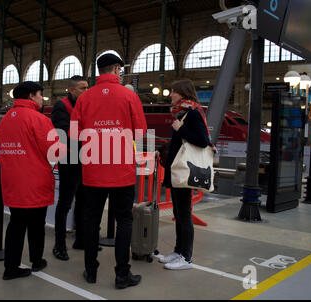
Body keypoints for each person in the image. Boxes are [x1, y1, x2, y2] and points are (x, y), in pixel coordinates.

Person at [71, 53, 147, 289]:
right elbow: (141, 132)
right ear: (116, 69)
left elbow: (74, 134)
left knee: (91, 219)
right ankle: (122, 276)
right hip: (121, 170)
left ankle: (91, 271)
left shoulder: (85, 98)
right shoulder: (129, 95)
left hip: (93, 170)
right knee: (124, 220)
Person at [0, 81, 61, 280]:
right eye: (41, 95)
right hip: (35, 182)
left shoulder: (6, 119)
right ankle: (36, 260)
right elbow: (54, 151)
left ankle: (11, 267)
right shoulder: (38, 119)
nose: (42, 99)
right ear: (32, 95)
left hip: (12, 181)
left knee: (16, 224)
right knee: (36, 224)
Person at [160, 79, 211, 270]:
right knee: (178, 213)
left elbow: (202, 140)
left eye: (173, 91)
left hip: (185, 170)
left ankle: (186, 257)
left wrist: (180, 129)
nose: (170, 95)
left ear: (183, 93)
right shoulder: (183, 112)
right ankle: (178, 251)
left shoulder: (193, 113)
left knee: (184, 213)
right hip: (177, 169)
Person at [51, 75, 94, 261]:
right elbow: (62, 134)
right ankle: (59, 245)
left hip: (85, 161)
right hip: (69, 161)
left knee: (84, 201)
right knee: (65, 204)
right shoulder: (61, 106)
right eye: (83, 88)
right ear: (72, 90)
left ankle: (81, 239)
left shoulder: (87, 105)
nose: (86, 91)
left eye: (87, 87)